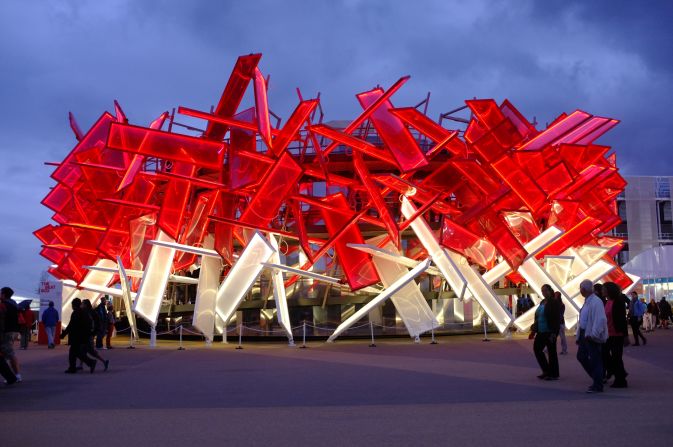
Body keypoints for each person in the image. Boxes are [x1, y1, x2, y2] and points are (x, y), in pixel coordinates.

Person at [576, 280, 608, 393]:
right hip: (585, 334)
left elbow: (600, 319)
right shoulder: (588, 301)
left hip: (590, 335)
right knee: (581, 356)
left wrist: (593, 334)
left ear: (583, 289)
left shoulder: (596, 302)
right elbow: (583, 319)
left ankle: (598, 384)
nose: (580, 291)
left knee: (595, 359)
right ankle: (597, 378)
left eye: (580, 288)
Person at [532, 284, 561, 380]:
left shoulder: (554, 302)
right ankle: (546, 370)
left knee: (552, 352)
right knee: (537, 349)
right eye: (542, 291)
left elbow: (557, 318)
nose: (544, 292)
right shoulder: (542, 302)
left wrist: (554, 332)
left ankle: (553, 374)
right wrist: (534, 329)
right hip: (541, 330)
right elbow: (538, 316)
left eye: (545, 290)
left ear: (550, 291)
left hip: (550, 331)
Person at [60, 298, 97, 374]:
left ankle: (76, 367)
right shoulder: (84, 312)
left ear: (74, 305)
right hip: (82, 336)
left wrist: (63, 334)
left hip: (77, 336)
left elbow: (71, 325)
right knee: (76, 352)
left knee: (73, 352)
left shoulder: (76, 313)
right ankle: (88, 363)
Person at [603, 282, 628, 388]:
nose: (602, 291)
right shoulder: (607, 302)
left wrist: (625, 335)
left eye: (604, 289)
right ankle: (620, 373)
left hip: (617, 334)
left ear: (609, 290)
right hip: (608, 334)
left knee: (616, 357)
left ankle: (620, 380)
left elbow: (623, 319)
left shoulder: (618, 302)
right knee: (604, 354)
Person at [0, 287, 22, 382]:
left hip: (6, 331)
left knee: (10, 353)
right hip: (14, 330)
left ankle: (17, 376)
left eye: (1, 293)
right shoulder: (14, 304)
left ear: (4, 294)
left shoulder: (4, 305)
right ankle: (11, 376)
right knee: (4, 354)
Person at [82, 300, 109, 371]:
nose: (81, 305)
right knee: (83, 350)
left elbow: (92, 323)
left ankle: (104, 361)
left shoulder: (89, 312)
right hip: (89, 334)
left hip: (89, 334)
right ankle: (80, 364)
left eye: (82, 304)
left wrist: (93, 332)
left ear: (85, 305)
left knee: (91, 351)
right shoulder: (93, 311)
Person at [0, 297, 18, 385]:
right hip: (7, 332)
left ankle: (13, 377)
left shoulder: (3, 306)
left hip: (4, 333)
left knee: (6, 356)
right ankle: (12, 377)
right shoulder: (12, 305)